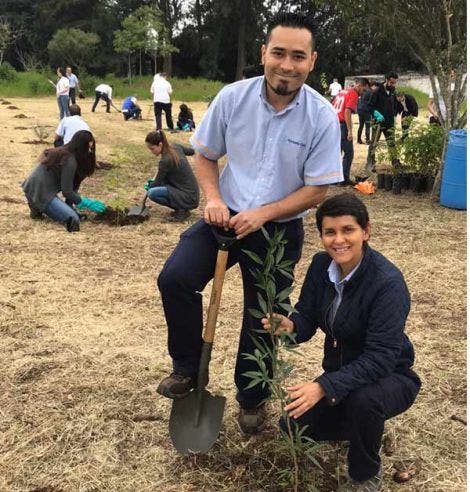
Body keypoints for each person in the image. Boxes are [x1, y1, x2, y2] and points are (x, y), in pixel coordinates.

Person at [155, 12, 342, 437]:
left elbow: (318, 190)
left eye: (298, 56)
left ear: (311, 61)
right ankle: (187, 369)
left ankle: (252, 397)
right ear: (264, 54)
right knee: (176, 279)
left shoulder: (321, 117)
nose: (287, 65)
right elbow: (204, 154)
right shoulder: (232, 99)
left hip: (277, 229)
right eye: (278, 53)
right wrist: (215, 198)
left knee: (264, 316)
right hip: (225, 217)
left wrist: (265, 213)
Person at [261, 193, 420, 491]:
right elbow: (307, 314)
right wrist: (291, 325)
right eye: (330, 232)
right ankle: (366, 428)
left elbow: (381, 358)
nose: (339, 240)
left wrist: (323, 387)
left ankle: (365, 475)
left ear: (366, 231)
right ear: (321, 235)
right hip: (342, 374)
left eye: (348, 230)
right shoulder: (322, 265)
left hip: (390, 377)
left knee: (365, 401)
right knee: (292, 425)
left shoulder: (387, 284)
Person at [21, 130, 105, 232]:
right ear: (81, 146)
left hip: (34, 187)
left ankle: (38, 206)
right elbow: (67, 191)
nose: (90, 151)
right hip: (40, 190)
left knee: (70, 213)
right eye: (88, 148)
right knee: (74, 220)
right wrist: (83, 202)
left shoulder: (70, 155)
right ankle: (38, 204)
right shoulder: (69, 160)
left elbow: (73, 186)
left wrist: (70, 206)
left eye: (92, 148)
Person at [143, 130, 200, 222]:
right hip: (193, 193)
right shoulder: (176, 147)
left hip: (188, 197)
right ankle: (182, 208)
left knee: (152, 193)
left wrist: (149, 186)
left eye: (152, 148)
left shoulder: (165, 161)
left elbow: (157, 183)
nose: (151, 152)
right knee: (160, 186)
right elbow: (191, 151)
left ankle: (181, 210)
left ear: (160, 145)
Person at [333, 78, 368, 185]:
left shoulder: (343, 91)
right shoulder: (353, 94)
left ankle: (334, 178)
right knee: (349, 153)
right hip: (342, 125)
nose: (363, 92)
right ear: (359, 85)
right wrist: (350, 131)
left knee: (336, 152)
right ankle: (344, 178)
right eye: (364, 89)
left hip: (334, 123)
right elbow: (347, 111)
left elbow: (332, 105)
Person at [366, 73, 401, 173]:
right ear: (386, 80)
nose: (393, 85)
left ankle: (395, 162)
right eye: (391, 82)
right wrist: (376, 114)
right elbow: (369, 107)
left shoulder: (393, 92)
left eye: (395, 83)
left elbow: (394, 105)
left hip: (389, 122)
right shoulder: (376, 92)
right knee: (374, 143)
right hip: (378, 122)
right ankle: (370, 163)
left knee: (391, 143)